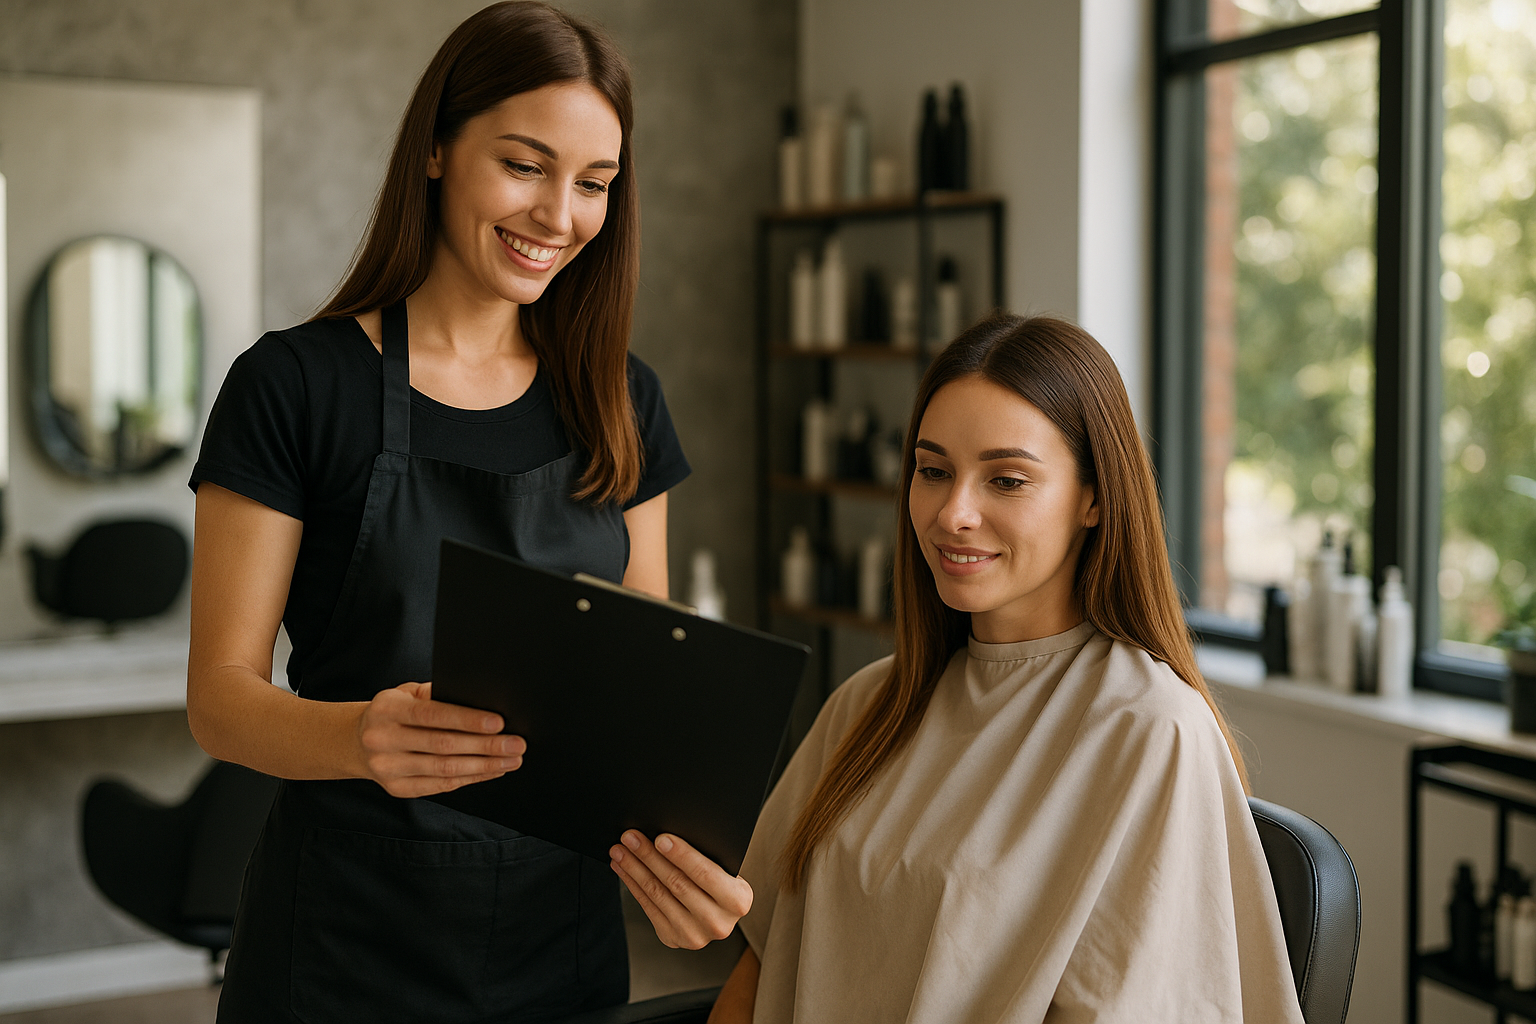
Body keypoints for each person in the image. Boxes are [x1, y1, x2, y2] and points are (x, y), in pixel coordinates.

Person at [186, 4, 749, 1021]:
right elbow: (220, 700)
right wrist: (362, 735)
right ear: (438, 149)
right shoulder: (294, 385)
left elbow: (640, 705)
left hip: (560, 940)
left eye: (595, 184)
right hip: (341, 943)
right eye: (526, 165)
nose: (560, 214)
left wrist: (696, 871)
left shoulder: (622, 401)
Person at [708, 313, 1306, 1023]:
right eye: (933, 472)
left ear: (1093, 498)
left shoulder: (1149, 730)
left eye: (1007, 480)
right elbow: (766, 959)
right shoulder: (870, 704)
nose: (953, 512)